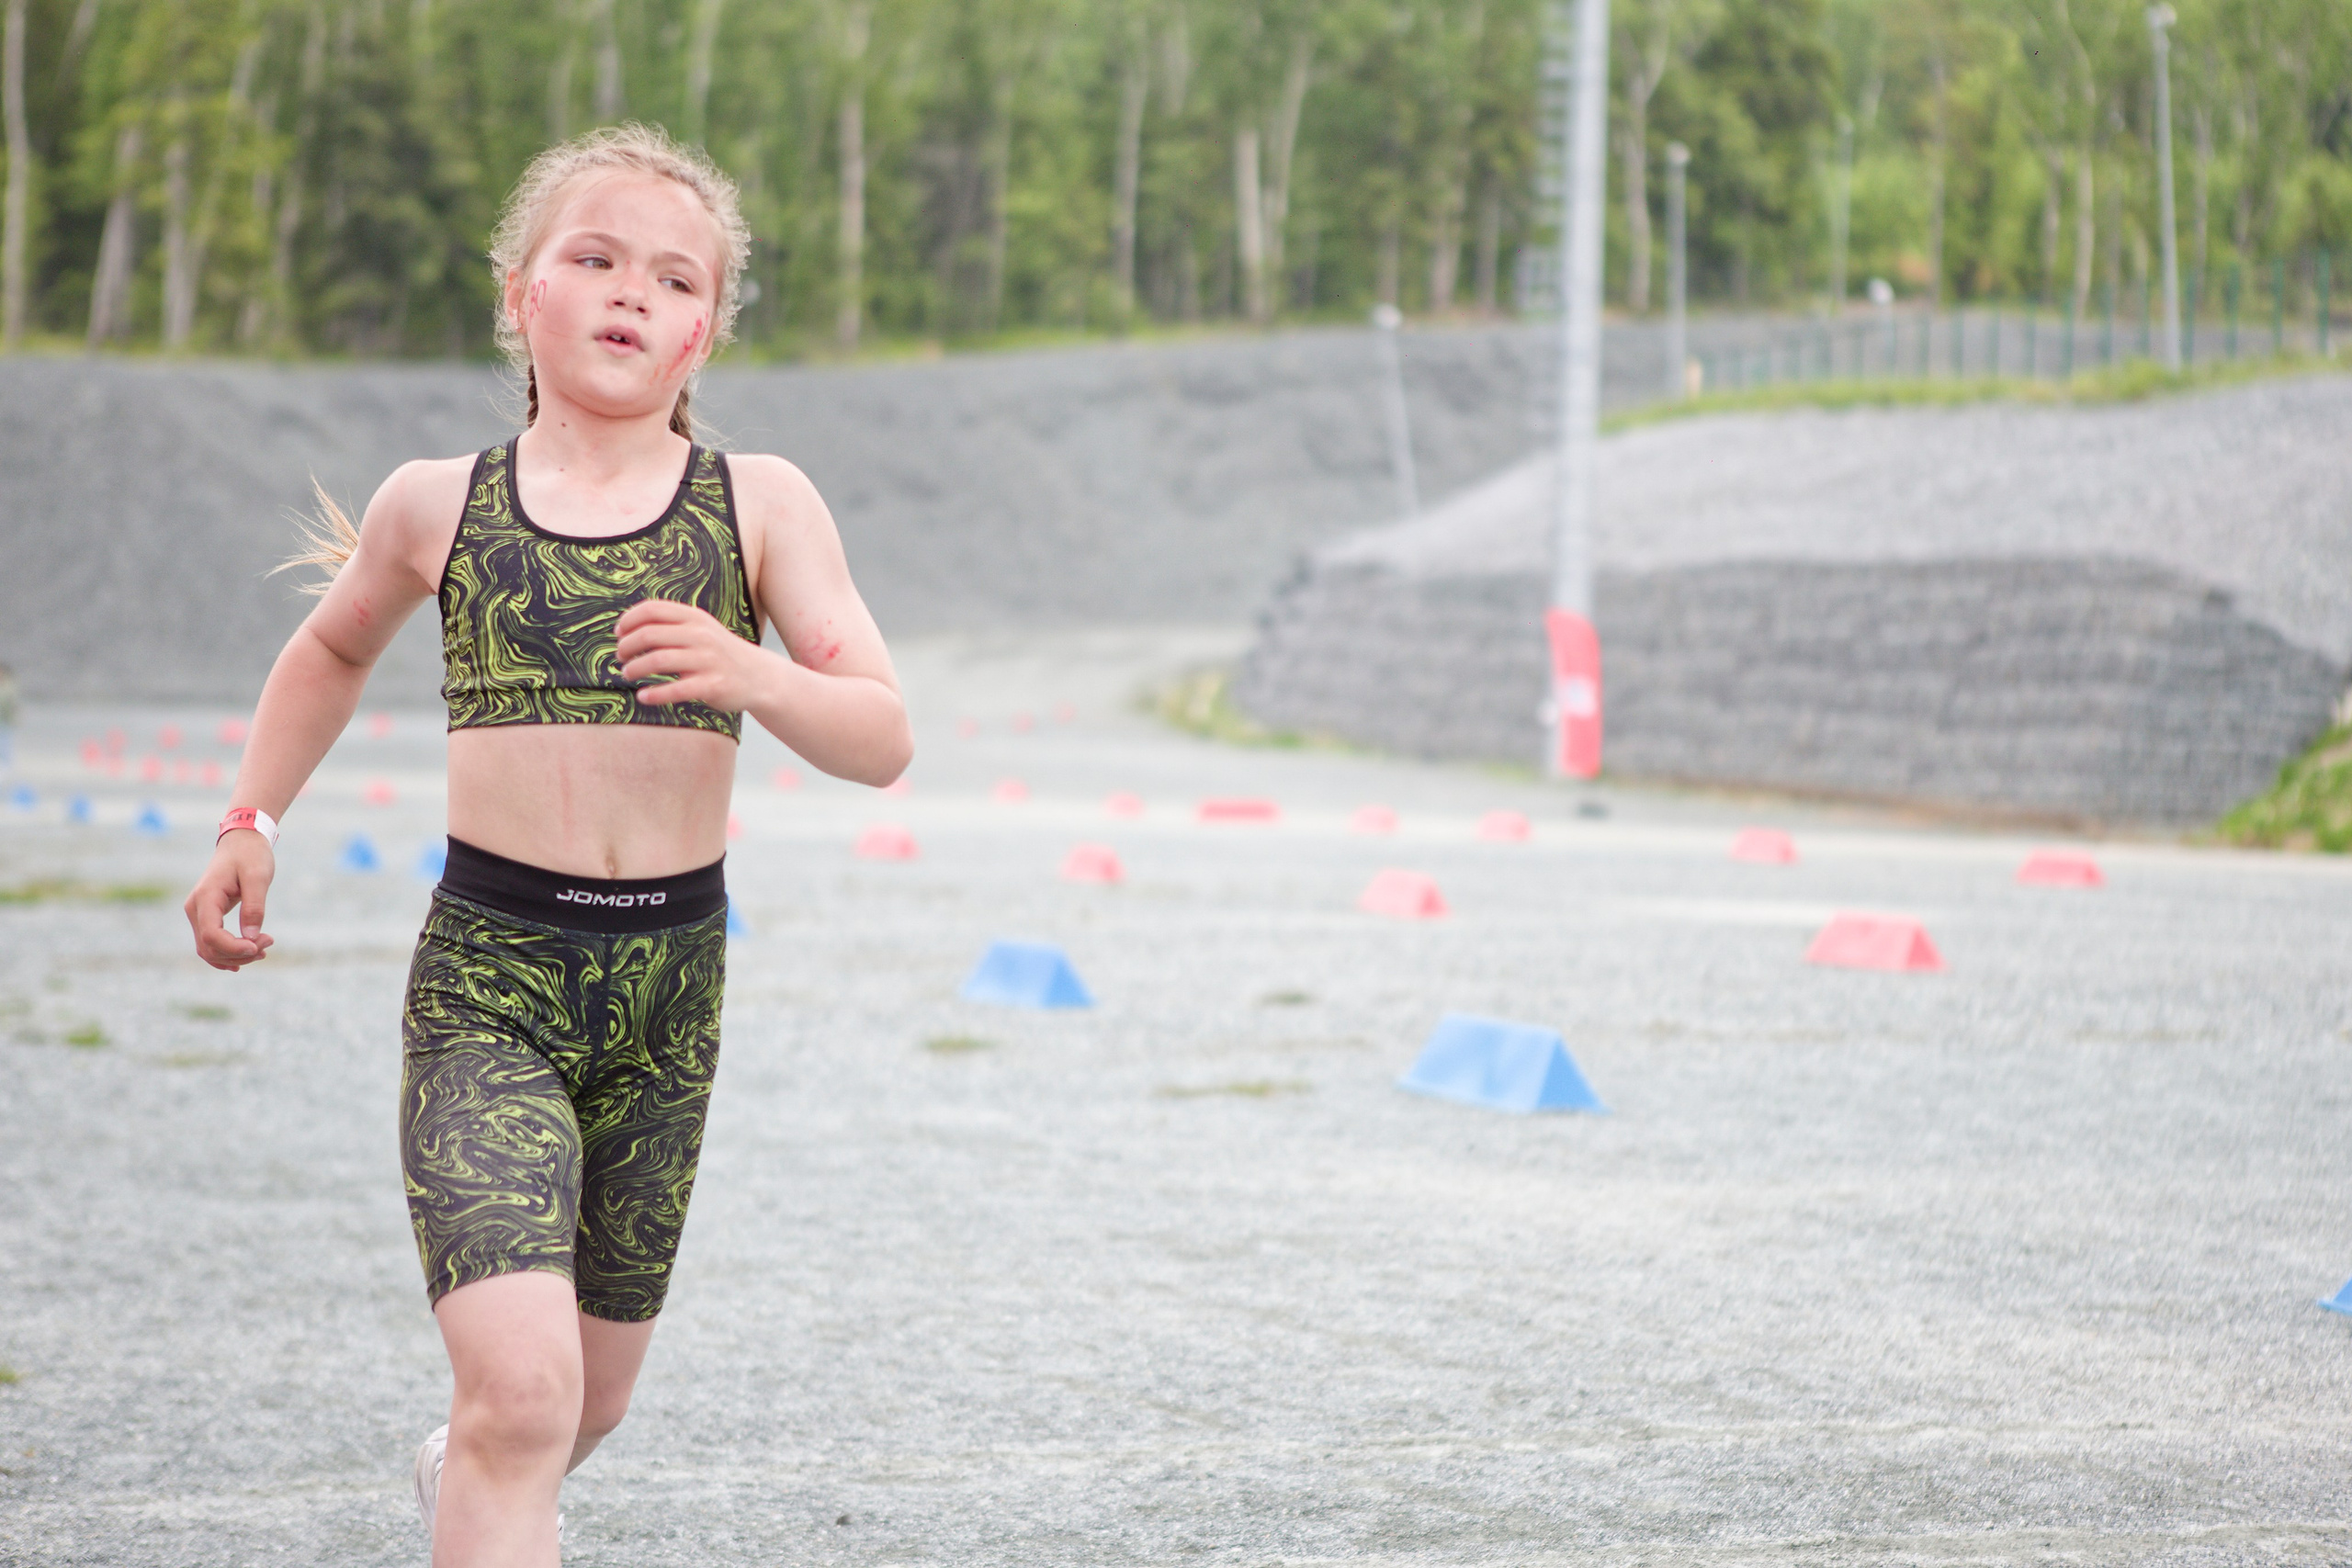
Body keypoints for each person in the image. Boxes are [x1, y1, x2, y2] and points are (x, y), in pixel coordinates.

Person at [181, 124, 911, 1566]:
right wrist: (248, 822)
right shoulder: (434, 504)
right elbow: (327, 654)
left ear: (704, 333)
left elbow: (881, 735)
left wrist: (758, 673)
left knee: (584, 1406)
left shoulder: (758, 505)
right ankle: (487, 1464)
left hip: (666, 1000)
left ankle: (459, 1476)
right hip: (489, 986)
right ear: (521, 293)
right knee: (524, 1398)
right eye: (595, 258)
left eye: (672, 277)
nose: (631, 292)